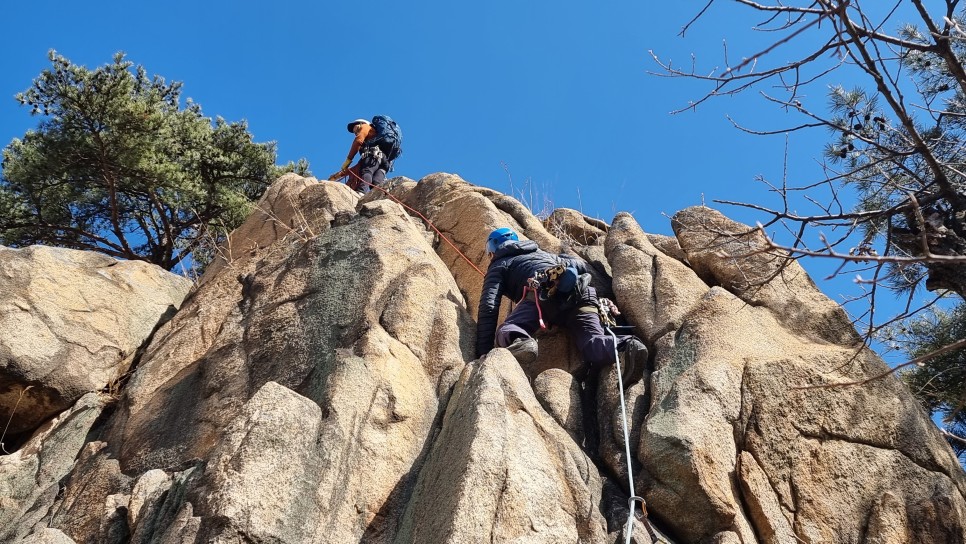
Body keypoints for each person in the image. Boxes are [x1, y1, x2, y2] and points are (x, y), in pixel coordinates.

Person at [475, 227, 648, 385]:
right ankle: (628, 346)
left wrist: (481, 353)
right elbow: (582, 265)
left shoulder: (499, 265)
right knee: (591, 344)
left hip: (540, 299)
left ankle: (521, 342)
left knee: (508, 329)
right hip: (582, 296)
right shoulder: (545, 254)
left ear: (492, 251)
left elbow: (489, 306)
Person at [329, 118, 392, 194]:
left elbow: (358, 141)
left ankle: (361, 191)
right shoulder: (372, 139)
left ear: (361, 123)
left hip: (374, 156)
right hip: (385, 162)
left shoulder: (365, 126)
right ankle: (380, 196)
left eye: (354, 127)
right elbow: (358, 166)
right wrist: (338, 175)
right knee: (376, 182)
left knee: (366, 172)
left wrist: (348, 160)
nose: (354, 132)